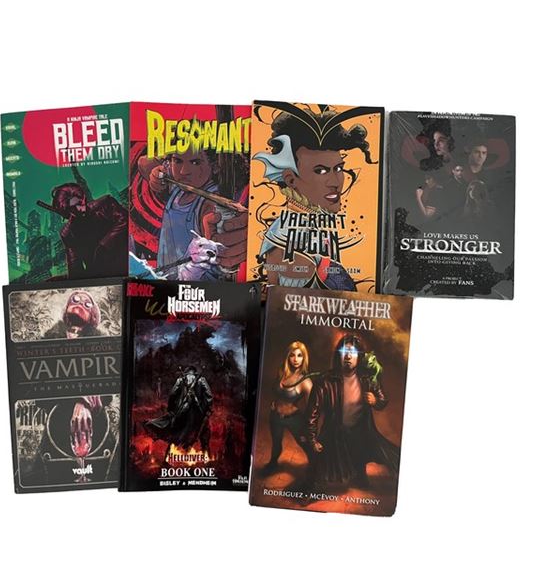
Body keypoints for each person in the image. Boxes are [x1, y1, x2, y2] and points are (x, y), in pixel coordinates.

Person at [253, 104, 377, 289]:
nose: (335, 181)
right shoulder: (283, 234)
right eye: (321, 171)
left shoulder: (316, 225)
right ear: (291, 180)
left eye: (339, 168)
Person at [137, 148, 248, 280]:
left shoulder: (209, 204)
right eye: (178, 161)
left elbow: (219, 227)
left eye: (195, 162)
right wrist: (156, 173)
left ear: (214, 167)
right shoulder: (178, 186)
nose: (184, 171)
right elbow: (143, 162)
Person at [307, 335, 399, 488]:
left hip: (361, 432)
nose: (348, 356)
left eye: (353, 352)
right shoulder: (325, 381)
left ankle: (360, 475)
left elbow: (383, 400)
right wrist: (312, 439)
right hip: (334, 433)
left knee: (389, 456)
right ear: (339, 354)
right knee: (320, 474)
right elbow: (312, 413)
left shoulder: (367, 378)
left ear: (359, 356)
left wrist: (375, 401)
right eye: (344, 351)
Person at [51, 182, 128, 278]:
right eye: (73, 208)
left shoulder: (105, 204)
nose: (80, 209)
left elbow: (125, 220)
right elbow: (75, 267)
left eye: (80, 203)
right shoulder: (67, 233)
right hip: (99, 276)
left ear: (83, 198)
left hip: (125, 265)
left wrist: (103, 246)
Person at [263, 341, 313, 473]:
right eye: (292, 355)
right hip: (275, 416)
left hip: (293, 419)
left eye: (299, 355)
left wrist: (308, 429)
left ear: (304, 358)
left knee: (306, 444)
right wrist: (274, 402)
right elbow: (277, 392)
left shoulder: (305, 381)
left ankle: (315, 469)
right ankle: (273, 464)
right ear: (288, 357)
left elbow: (311, 408)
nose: (296, 359)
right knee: (276, 443)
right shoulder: (282, 373)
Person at [144, 366, 213, 457]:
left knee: (174, 434)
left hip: (182, 412)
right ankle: (207, 460)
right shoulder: (201, 380)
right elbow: (209, 396)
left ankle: (167, 459)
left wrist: (172, 410)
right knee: (204, 436)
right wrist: (207, 409)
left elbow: (173, 394)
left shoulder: (181, 380)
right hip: (198, 414)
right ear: (195, 372)